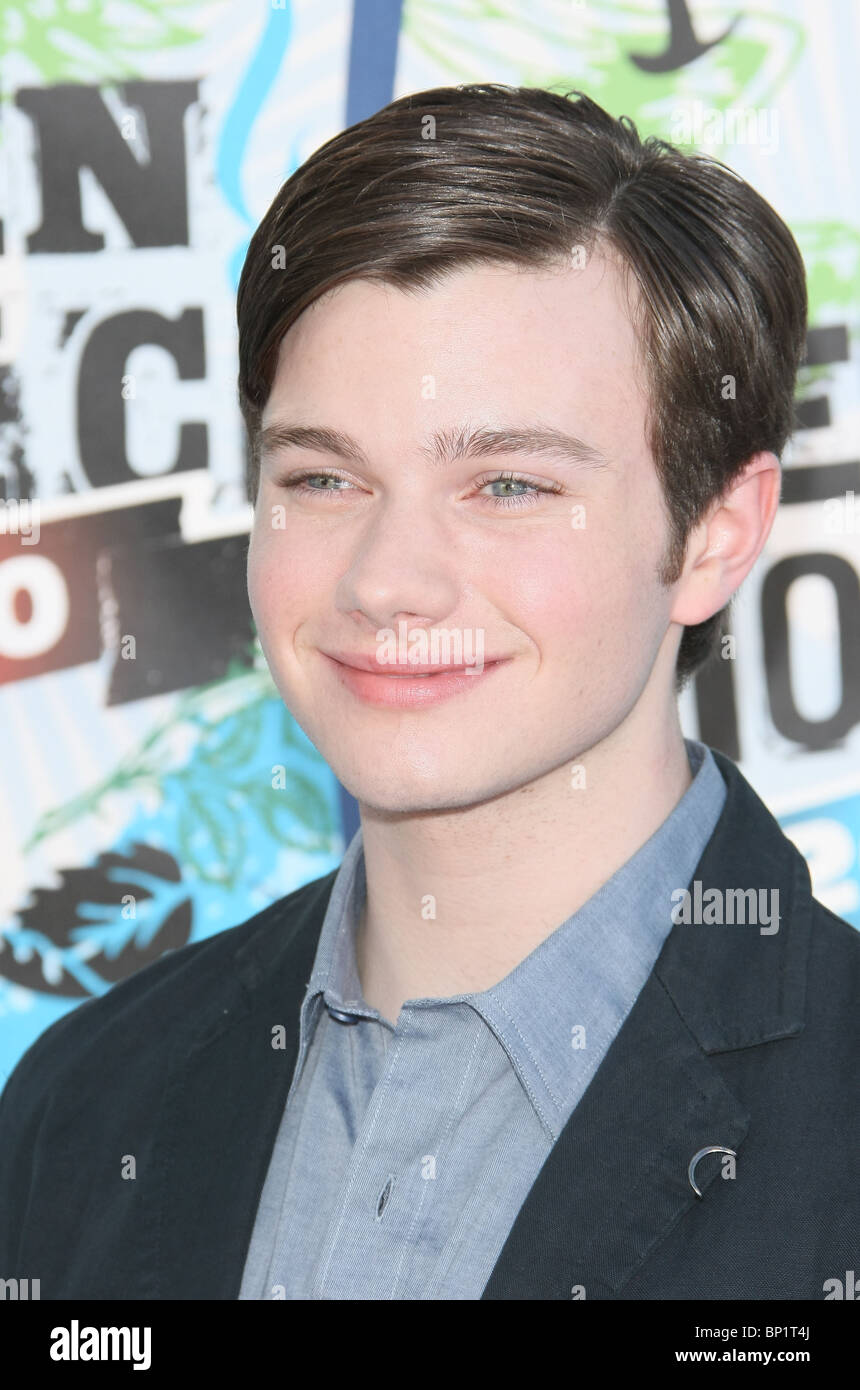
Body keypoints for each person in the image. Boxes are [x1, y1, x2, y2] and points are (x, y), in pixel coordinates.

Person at [0, 84, 856, 1301]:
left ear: (716, 532)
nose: (385, 581)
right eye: (323, 476)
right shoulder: (83, 1102)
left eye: (505, 484)